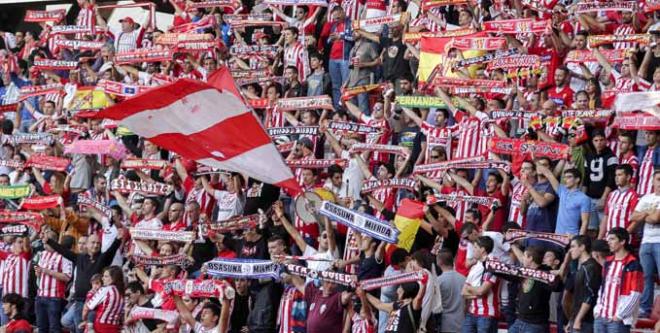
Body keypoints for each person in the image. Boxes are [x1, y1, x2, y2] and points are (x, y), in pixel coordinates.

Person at [593, 228, 644, 332]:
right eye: (608, 239)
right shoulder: (608, 262)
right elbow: (603, 288)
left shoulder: (633, 264)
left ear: (622, 241)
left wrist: (620, 316)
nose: (609, 242)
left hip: (618, 321)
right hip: (601, 316)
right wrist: (597, 310)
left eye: (612, 239)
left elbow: (635, 294)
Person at [630, 170, 660, 318]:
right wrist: (649, 213)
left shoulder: (646, 201)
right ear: (653, 181)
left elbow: (656, 219)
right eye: (658, 179)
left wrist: (644, 215)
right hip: (646, 241)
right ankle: (645, 308)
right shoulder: (646, 198)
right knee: (645, 277)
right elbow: (632, 216)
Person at [461, 236, 500, 333]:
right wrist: (476, 292)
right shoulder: (475, 266)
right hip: (472, 313)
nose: (473, 250)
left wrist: (470, 289)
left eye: (475, 247)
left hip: (487, 315)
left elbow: (482, 290)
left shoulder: (493, 263)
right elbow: (463, 292)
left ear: (482, 250)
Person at [537, 166, 590, 236]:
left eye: (569, 177)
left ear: (577, 179)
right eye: (565, 177)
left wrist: (579, 239)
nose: (565, 180)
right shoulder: (562, 191)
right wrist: (535, 160)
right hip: (557, 235)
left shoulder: (584, 198)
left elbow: (585, 221)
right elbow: (548, 174)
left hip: (572, 237)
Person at [565, 235, 602, 333]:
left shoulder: (591, 267)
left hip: (586, 321)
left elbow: (589, 295)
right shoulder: (584, 267)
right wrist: (571, 320)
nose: (570, 250)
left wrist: (578, 319)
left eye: (573, 246)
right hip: (578, 319)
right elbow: (578, 297)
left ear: (582, 247)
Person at [80, 266, 124, 333]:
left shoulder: (105, 289)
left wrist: (85, 319)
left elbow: (88, 307)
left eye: (106, 276)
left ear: (113, 278)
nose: (103, 278)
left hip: (99, 327)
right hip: (114, 328)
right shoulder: (122, 292)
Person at [436, 248, 466, 333]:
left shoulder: (438, 281)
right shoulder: (464, 279)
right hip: (461, 323)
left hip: (445, 324)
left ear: (439, 262)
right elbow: (468, 303)